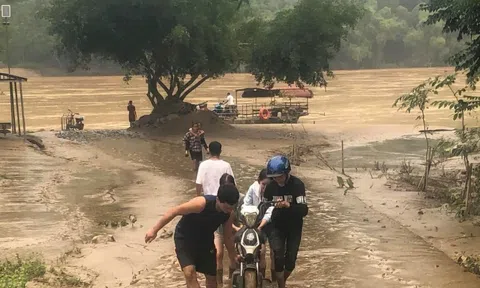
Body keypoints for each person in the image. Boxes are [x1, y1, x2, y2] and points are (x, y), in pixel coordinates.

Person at [144, 184, 240, 288]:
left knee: (212, 279)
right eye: (226, 207)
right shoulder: (201, 204)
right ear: (218, 199)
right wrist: (154, 230)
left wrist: (233, 256)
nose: (229, 210)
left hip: (205, 240)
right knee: (190, 273)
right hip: (185, 238)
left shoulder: (228, 214)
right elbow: (174, 211)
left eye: (232, 208)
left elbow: (227, 237)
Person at [263, 155, 308, 288]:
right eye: (274, 177)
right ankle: (281, 286)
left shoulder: (298, 185)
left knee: (291, 260)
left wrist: (288, 205)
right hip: (276, 225)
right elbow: (265, 207)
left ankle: (278, 283)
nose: (278, 180)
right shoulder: (270, 188)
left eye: (280, 176)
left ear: (287, 173)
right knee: (277, 255)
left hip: (294, 226)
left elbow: (304, 210)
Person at [195, 142, 234, 285]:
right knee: (230, 245)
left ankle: (219, 283)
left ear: (209, 151)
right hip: (227, 205)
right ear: (220, 151)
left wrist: (198, 199)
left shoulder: (203, 165)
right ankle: (232, 279)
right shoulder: (226, 165)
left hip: (210, 206)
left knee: (217, 248)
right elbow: (232, 185)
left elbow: (198, 184)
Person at [235, 168, 275, 281]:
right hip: (250, 222)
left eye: (268, 185)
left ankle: (266, 278)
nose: (265, 188)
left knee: (263, 251)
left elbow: (270, 212)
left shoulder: (273, 193)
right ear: (259, 181)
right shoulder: (253, 188)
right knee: (240, 243)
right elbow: (245, 204)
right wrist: (247, 221)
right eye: (263, 184)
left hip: (266, 224)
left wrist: (260, 226)